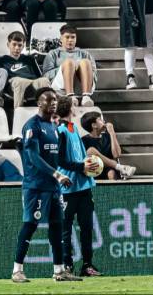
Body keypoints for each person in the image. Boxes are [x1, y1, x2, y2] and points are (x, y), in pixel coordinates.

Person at [13, 89, 83, 283]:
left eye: (55, 100)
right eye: (49, 100)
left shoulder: (53, 126)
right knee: (30, 225)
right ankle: (17, 270)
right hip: (35, 186)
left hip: (53, 186)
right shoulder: (32, 126)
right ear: (39, 103)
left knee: (57, 226)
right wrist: (57, 174)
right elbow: (33, 157)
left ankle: (58, 271)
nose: (53, 103)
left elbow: (56, 157)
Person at [55, 94, 103, 278]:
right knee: (66, 228)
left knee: (86, 227)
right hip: (68, 187)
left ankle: (87, 265)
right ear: (70, 109)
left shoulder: (73, 128)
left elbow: (81, 157)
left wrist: (88, 166)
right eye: (74, 105)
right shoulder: (61, 131)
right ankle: (67, 265)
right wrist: (82, 166)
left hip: (83, 186)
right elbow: (59, 160)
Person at [43, 25, 96, 105]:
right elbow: (46, 75)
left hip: (81, 84)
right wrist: (65, 68)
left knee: (85, 62)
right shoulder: (53, 53)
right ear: (61, 38)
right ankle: (70, 96)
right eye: (67, 37)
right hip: (60, 85)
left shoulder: (84, 53)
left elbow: (94, 72)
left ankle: (86, 97)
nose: (70, 40)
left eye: (73, 37)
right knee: (69, 63)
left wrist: (78, 69)